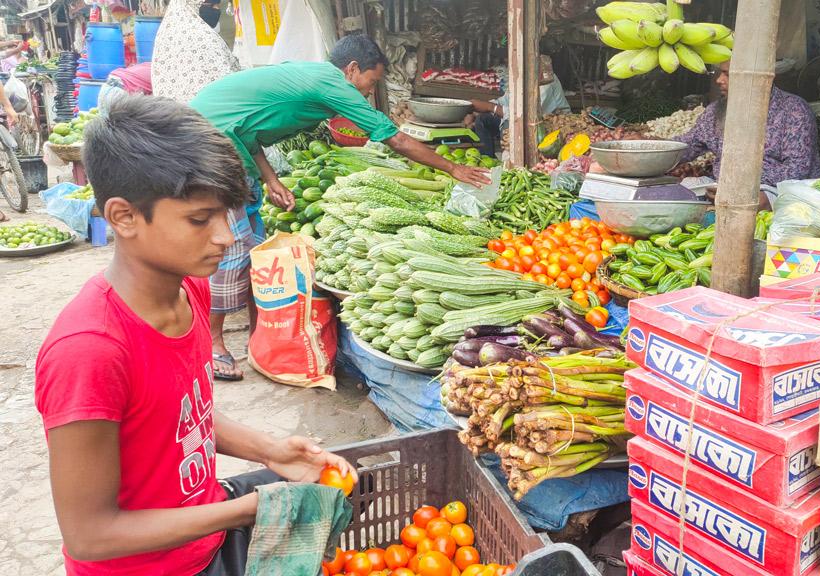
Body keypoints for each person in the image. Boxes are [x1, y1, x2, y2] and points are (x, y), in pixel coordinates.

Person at [34, 94, 357, 575]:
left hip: (202, 533)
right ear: (123, 217)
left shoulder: (190, 290)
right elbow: (89, 535)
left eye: (226, 214)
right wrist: (250, 509)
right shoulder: (90, 351)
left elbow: (181, 417)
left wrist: (272, 451)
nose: (226, 236)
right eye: (199, 219)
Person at [190, 34, 490, 380]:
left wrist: (270, 179)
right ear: (352, 70)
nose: (366, 92)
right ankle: (212, 345)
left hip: (224, 136)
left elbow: (248, 128)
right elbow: (395, 138)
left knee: (253, 244)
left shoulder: (313, 75)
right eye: (370, 82)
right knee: (233, 246)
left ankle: (262, 339)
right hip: (209, 144)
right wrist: (454, 169)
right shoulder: (334, 85)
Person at [673, 60, 820, 210]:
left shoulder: (794, 111)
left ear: (756, 79)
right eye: (720, 73)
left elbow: (797, 170)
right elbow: (689, 145)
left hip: (780, 190)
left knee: (759, 201)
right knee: (678, 192)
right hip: (725, 188)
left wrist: (739, 184)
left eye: (727, 75)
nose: (719, 80)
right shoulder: (715, 112)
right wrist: (658, 150)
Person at [467, 56, 572, 157]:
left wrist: (491, 107)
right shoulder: (521, 76)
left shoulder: (546, 80)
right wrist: (476, 111)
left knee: (509, 123)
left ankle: (513, 161)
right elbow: (505, 101)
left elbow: (528, 115)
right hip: (522, 118)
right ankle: (487, 161)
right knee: (482, 119)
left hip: (549, 123)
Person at [151, 0, 240, 103]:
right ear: (194, 5)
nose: (217, 9)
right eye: (212, 5)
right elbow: (226, 84)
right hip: (204, 113)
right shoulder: (202, 37)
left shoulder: (165, 34)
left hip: (173, 114)